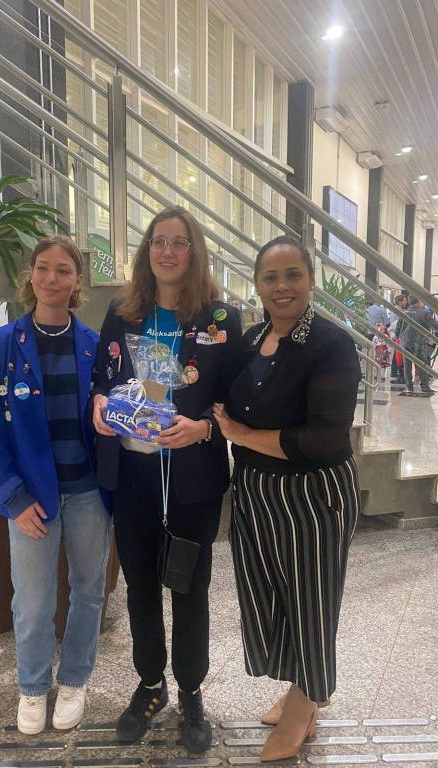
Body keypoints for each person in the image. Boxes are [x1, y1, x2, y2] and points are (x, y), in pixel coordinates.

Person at [92, 206, 241, 754]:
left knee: (190, 590)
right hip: (133, 477)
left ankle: (192, 691)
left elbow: (234, 400)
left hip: (192, 481)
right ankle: (151, 685)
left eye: (180, 242)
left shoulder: (221, 320)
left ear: (194, 252)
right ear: (146, 251)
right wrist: (100, 403)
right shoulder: (123, 312)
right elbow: (102, 378)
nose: (168, 251)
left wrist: (203, 429)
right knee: (139, 587)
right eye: (159, 241)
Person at [212, 235, 361, 762]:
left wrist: (242, 437)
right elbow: (225, 402)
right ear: (257, 284)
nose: (282, 287)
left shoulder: (330, 344)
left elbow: (324, 438)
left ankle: (306, 702)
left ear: (311, 280)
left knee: (311, 601)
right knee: (273, 597)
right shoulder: (252, 339)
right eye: (270, 277)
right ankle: (302, 684)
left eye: (293, 274)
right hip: (256, 492)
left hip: (311, 496)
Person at [0, 235, 111, 735]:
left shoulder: (96, 345)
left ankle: (74, 679)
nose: (52, 279)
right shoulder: (0, 345)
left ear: (77, 281)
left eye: (63, 270)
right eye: (43, 268)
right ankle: (32, 687)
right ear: (30, 276)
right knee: (32, 601)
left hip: (89, 492)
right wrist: (13, 497)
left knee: (88, 591)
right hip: (31, 496)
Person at [399, 295, 438, 394]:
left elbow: (397, 330)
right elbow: (435, 325)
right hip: (418, 343)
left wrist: (402, 339)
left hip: (405, 343)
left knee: (407, 365)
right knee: (422, 364)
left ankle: (409, 387)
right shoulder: (423, 313)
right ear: (419, 301)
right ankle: (424, 386)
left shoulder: (404, 313)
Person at [389, 294, 408, 383]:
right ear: (400, 302)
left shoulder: (400, 310)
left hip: (398, 334)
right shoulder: (397, 311)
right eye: (404, 300)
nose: (406, 302)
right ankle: (394, 373)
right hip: (397, 335)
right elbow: (396, 324)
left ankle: (396, 373)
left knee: (397, 355)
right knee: (396, 355)